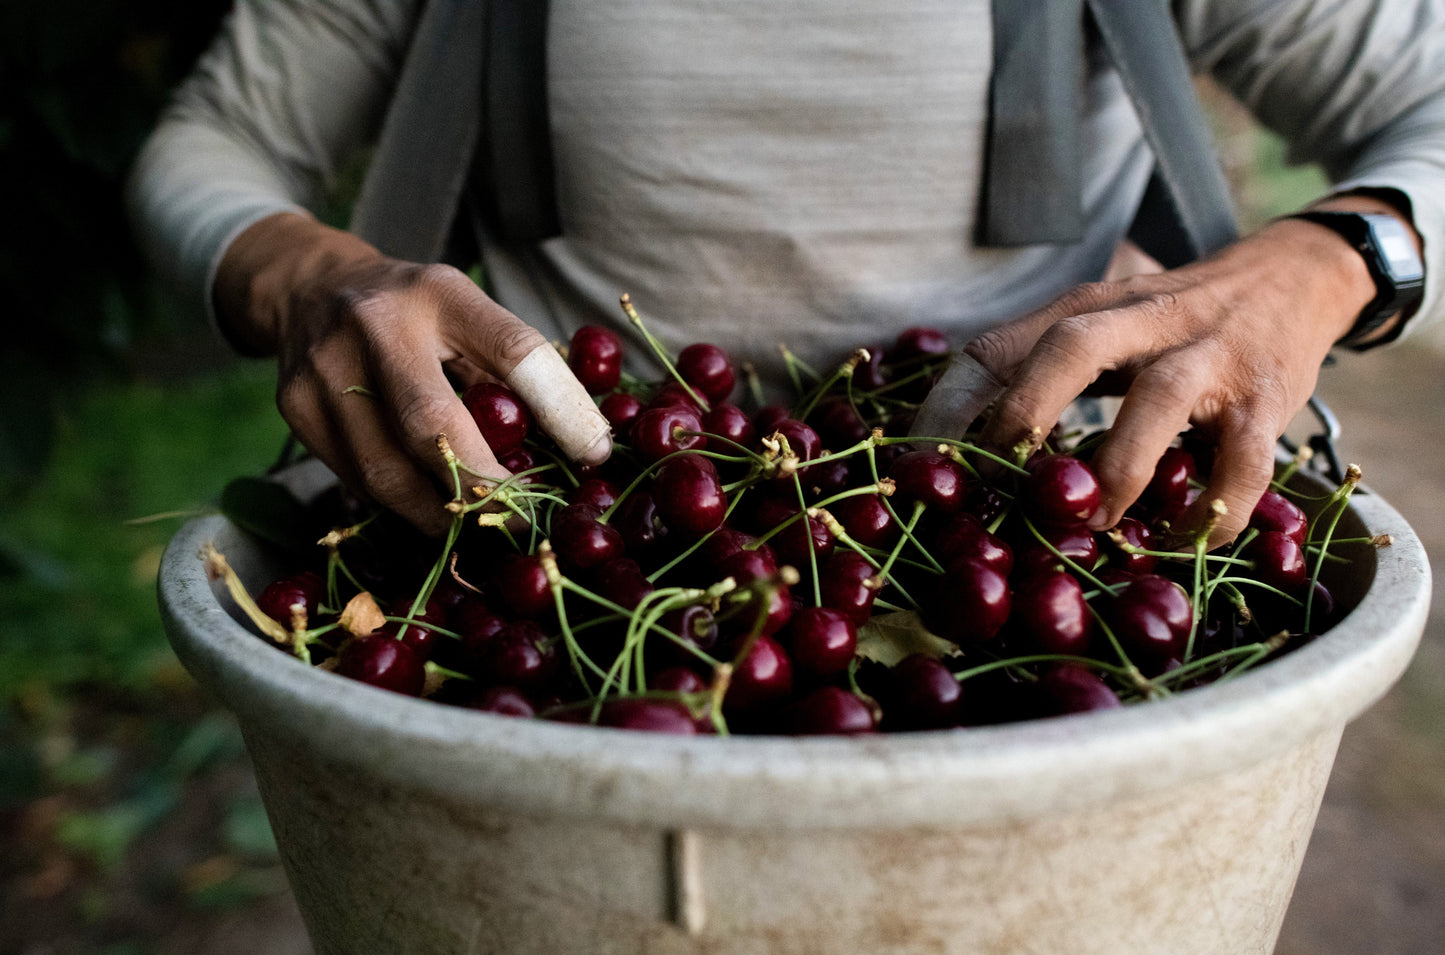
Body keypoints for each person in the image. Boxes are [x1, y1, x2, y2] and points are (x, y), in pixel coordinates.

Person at [127, 0, 1445, 545]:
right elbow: (210, 150)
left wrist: (1322, 264)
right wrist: (307, 268)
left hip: (1055, 542)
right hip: (552, 541)